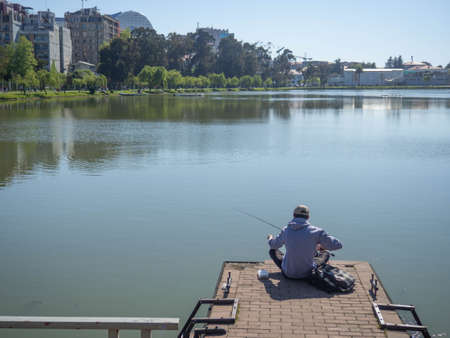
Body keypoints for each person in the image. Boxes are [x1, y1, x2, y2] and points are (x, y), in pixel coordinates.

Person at [267, 205, 342, 279]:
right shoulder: (317, 231)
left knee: (272, 250)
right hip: (308, 273)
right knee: (326, 253)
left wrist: (270, 238)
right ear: (308, 217)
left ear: (293, 215)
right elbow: (338, 245)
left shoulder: (286, 230)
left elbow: (273, 245)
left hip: (288, 273)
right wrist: (322, 245)